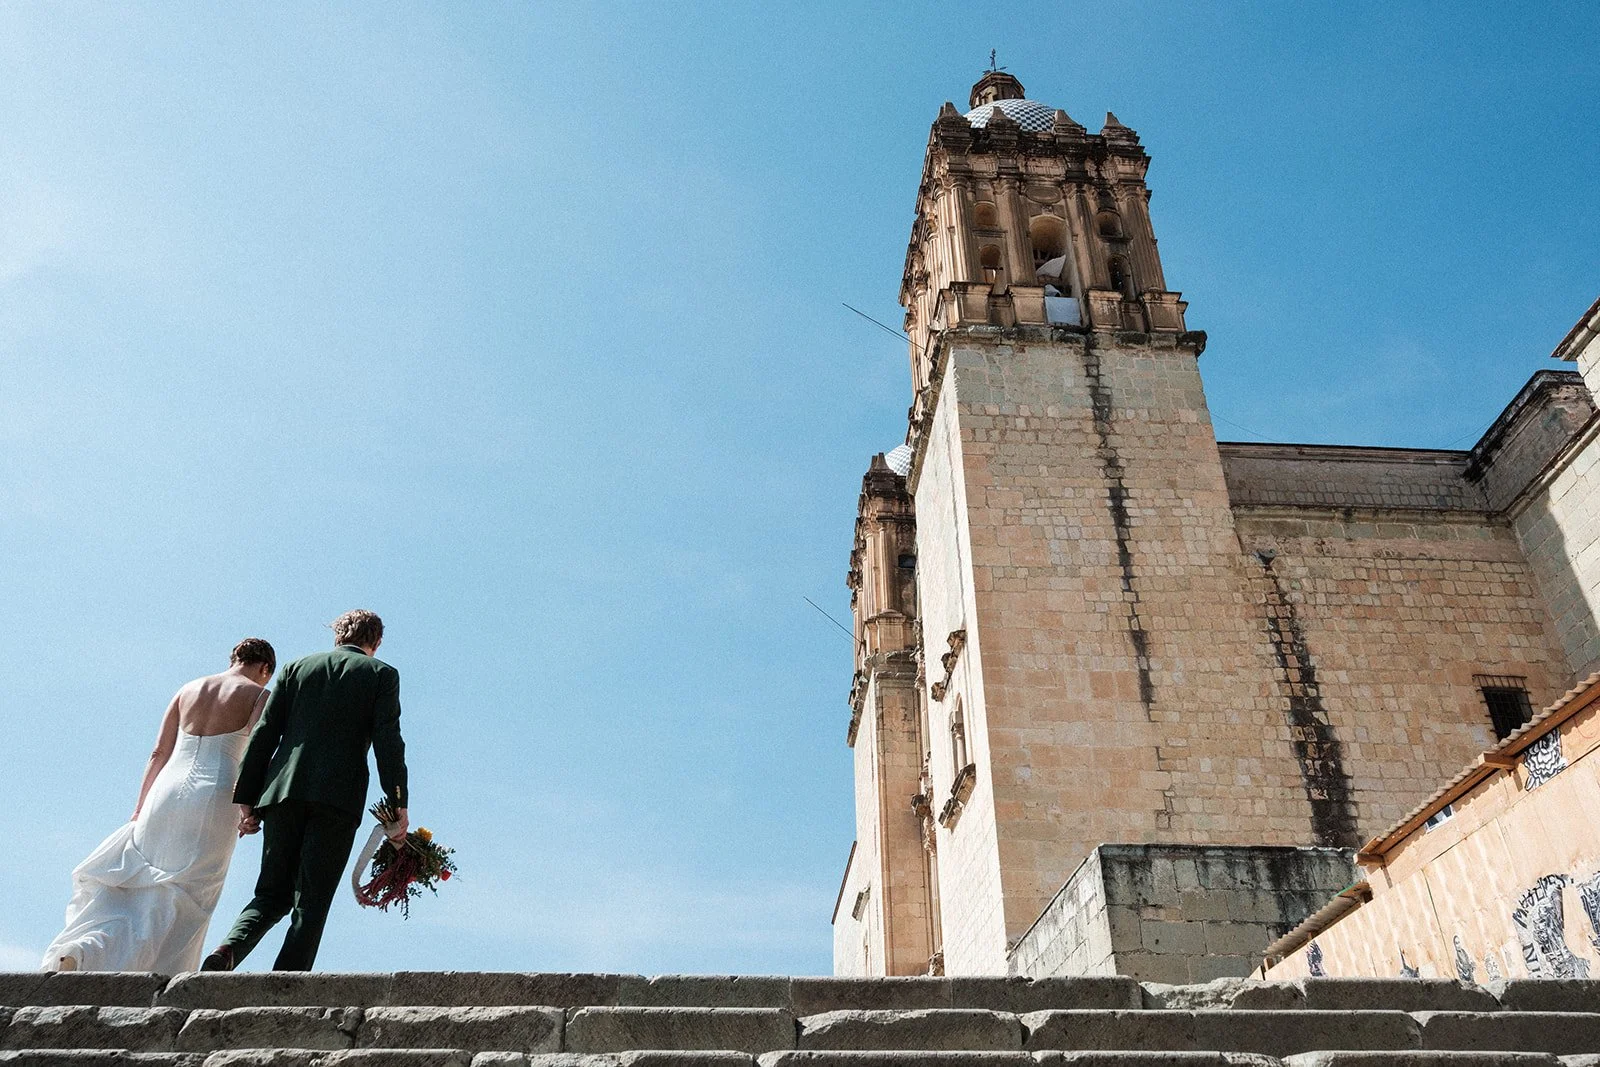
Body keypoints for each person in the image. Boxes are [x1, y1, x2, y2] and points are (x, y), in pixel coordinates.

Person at [41, 639, 277, 972]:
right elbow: (254, 757)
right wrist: (247, 811)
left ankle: (88, 950)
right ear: (265, 668)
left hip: (163, 794)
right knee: (188, 897)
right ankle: (157, 979)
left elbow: (158, 754)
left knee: (138, 887)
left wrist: (140, 810)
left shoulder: (188, 690)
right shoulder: (260, 695)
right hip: (215, 797)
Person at [203, 609, 410, 971]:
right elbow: (388, 742)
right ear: (375, 642)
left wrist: (248, 800)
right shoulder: (381, 674)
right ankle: (285, 983)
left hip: (282, 792)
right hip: (337, 799)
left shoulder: (295, 668)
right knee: (310, 901)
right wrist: (397, 804)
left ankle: (228, 950)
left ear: (337, 636)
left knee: (270, 892)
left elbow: (265, 734)